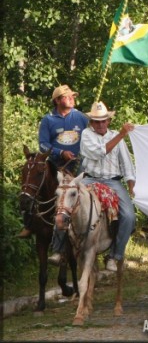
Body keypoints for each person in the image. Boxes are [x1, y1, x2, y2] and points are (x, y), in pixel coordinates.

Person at [19, 85, 89, 264]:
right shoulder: (48, 120)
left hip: (78, 166)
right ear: (57, 100)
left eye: (72, 96)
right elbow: (43, 144)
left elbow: (92, 137)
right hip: (55, 165)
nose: (72, 99)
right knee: (33, 181)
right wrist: (59, 152)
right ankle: (29, 222)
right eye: (67, 97)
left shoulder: (81, 117)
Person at [79, 101, 137, 272]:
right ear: (91, 122)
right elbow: (98, 152)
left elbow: (127, 165)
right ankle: (60, 249)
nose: (101, 124)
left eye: (104, 121)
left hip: (113, 181)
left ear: (108, 121)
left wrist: (132, 187)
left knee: (129, 216)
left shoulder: (116, 137)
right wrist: (121, 135)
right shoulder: (86, 134)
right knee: (65, 203)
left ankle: (115, 255)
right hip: (89, 179)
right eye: (96, 121)